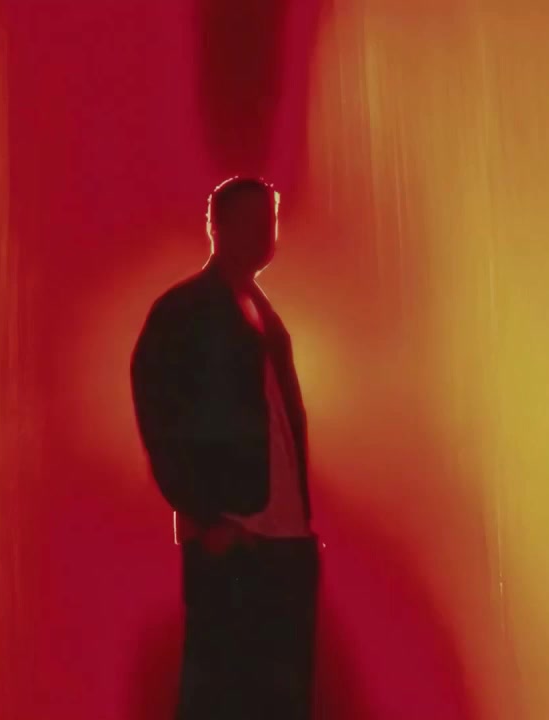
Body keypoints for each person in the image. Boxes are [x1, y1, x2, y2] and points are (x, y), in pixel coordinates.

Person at [130, 176, 320, 720]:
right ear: (216, 227)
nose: (264, 233)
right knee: (224, 694)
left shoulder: (260, 312)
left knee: (277, 697)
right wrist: (206, 518)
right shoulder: (186, 311)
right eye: (250, 221)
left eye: (269, 221)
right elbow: (158, 413)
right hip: (237, 536)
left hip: (279, 540)